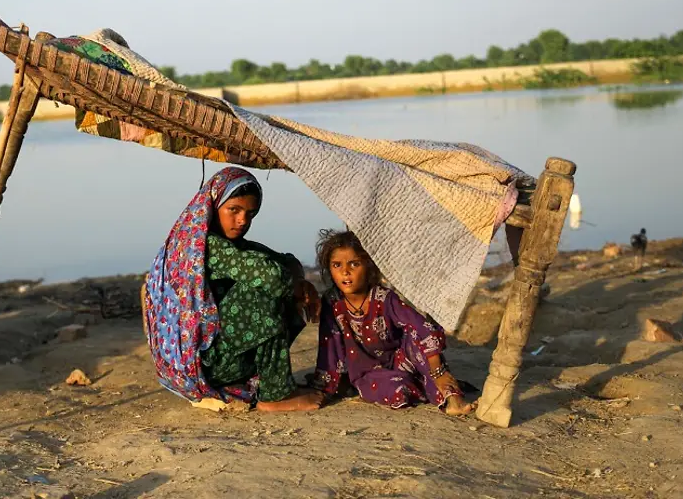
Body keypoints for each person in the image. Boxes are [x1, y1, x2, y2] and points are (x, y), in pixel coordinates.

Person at [144, 167, 323, 412]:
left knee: (274, 281)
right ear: (213, 206)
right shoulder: (207, 246)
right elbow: (272, 277)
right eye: (234, 210)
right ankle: (275, 394)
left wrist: (299, 280)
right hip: (206, 366)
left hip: (209, 362)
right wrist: (297, 285)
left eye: (250, 213)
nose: (242, 221)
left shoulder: (221, 243)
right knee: (263, 289)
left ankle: (270, 383)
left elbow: (287, 261)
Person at [310, 229, 477, 416]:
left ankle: (451, 397)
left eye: (354, 264)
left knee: (416, 340)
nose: (345, 272)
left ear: (369, 266)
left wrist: (438, 371)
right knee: (396, 389)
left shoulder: (384, 298)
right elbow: (330, 347)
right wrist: (325, 387)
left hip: (402, 359)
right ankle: (422, 384)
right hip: (368, 373)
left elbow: (420, 326)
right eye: (336, 265)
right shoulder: (332, 303)